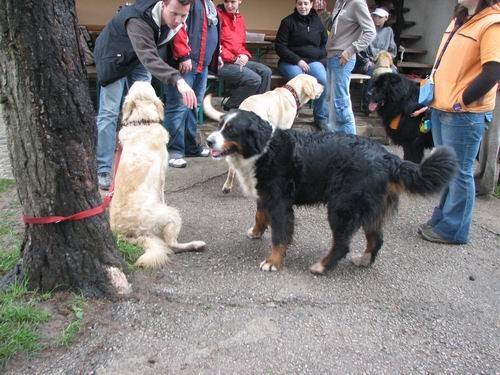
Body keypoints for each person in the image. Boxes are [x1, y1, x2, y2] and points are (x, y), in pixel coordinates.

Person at [418, 0, 500, 244]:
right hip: (442, 107)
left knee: (460, 171)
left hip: (463, 113)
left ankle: (454, 229)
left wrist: (462, 100)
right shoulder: (460, 18)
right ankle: (443, 219)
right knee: (447, 168)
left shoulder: (491, 24)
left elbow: (493, 72)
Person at [93, 0, 197, 190]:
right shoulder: (138, 19)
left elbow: (157, 49)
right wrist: (178, 80)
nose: (178, 20)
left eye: (184, 15)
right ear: (164, 4)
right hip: (114, 57)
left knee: (144, 109)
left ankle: (137, 163)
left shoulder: (175, 19)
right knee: (109, 112)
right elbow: (148, 56)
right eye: (174, 14)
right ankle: (103, 169)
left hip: (138, 58)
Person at [164, 0, 220, 168]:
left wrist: (217, 55)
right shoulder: (188, 2)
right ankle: (173, 151)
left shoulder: (208, 3)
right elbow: (177, 26)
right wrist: (183, 55)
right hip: (185, 63)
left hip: (201, 63)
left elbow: (212, 30)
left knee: (192, 106)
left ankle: (190, 146)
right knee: (178, 106)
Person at [321, 0, 376, 134]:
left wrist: (350, 50)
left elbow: (370, 32)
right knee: (331, 101)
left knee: (340, 102)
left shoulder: (357, 3)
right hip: (332, 56)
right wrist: (322, 13)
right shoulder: (340, 3)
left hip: (343, 58)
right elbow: (334, 30)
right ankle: (336, 142)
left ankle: (352, 144)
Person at [275, 0, 329, 130]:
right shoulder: (287, 22)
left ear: (311, 4)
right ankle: (292, 113)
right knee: (298, 80)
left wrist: (317, 55)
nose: (303, 7)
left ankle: (320, 117)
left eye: (306, 3)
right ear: (296, 5)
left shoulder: (318, 22)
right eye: (300, 4)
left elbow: (325, 43)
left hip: (313, 62)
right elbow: (280, 47)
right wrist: (298, 60)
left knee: (324, 80)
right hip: (290, 62)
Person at [216, 0, 272, 111]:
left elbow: (241, 44)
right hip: (220, 63)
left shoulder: (240, 19)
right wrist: (233, 58)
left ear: (240, 1)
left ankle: (258, 108)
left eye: (233, 1)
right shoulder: (218, 17)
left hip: (237, 61)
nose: (229, 5)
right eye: (226, 2)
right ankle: (231, 105)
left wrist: (245, 55)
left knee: (266, 72)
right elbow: (215, 44)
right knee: (254, 79)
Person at [355, 7, 397, 112]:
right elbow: (359, 49)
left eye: (379, 17)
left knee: (394, 73)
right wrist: (366, 61)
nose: (376, 19)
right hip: (367, 61)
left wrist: (388, 60)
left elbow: (392, 50)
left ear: (386, 18)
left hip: (382, 61)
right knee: (374, 72)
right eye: (374, 16)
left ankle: (388, 102)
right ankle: (367, 103)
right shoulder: (367, 29)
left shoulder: (389, 31)